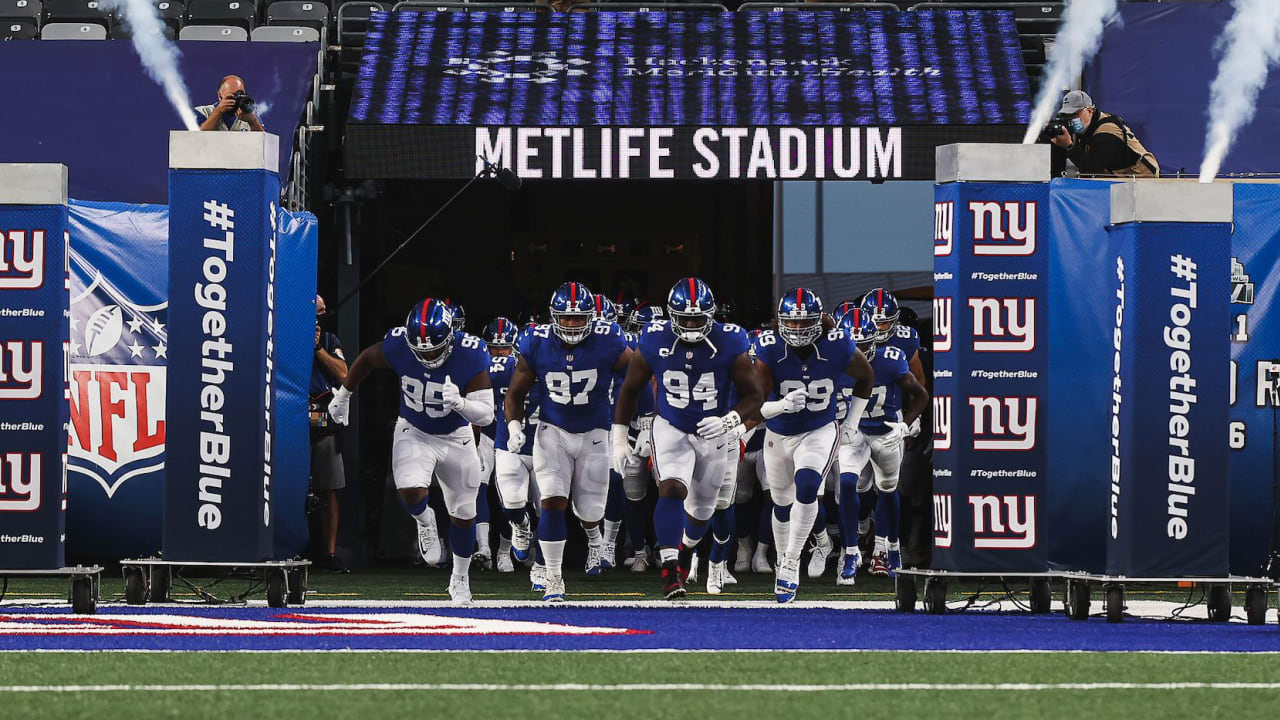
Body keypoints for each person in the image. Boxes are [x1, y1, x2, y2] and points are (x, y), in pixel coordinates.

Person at [327, 298, 493, 604]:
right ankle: (424, 519)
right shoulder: (399, 344)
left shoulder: (471, 353)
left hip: (457, 434)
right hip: (414, 429)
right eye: (422, 349)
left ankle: (459, 579)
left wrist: (461, 404)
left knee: (464, 512)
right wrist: (344, 394)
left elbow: (486, 415)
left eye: (434, 348)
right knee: (410, 490)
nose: (428, 354)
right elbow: (366, 359)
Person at [612, 277, 764, 600]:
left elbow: (755, 395)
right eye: (686, 318)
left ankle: (684, 552)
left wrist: (730, 419)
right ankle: (669, 570)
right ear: (671, 315)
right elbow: (630, 388)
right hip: (671, 425)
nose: (693, 325)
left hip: (715, 431)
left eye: (698, 318)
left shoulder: (730, 340)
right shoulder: (654, 338)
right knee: (671, 488)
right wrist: (619, 434)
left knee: (703, 512)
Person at [503, 282, 632, 602]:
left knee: (590, 511)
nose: (572, 324)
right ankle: (554, 579)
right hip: (553, 432)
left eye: (579, 318)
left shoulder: (608, 339)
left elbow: (638, 378)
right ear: (554, 316)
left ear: (591, 317)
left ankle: (593, 535)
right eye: (566, 318)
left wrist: (624, 429)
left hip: (595, 434)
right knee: (551, 502)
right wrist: (514, 426)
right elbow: (515, 393)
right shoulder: (537, 342)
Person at [753, 288, 874, 602]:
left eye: (803, 322)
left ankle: (792, 561)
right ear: (780, 323)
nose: (796, 329)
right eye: (790, 324)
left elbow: (866, 377)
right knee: (781, 504)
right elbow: (754, 404)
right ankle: (783, 558)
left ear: (818, 320)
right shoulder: (768, 348)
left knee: (807, 485)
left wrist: (851, 423)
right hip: (778, 432)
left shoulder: (837, 343)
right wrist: (781, 406)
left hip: (819, 429)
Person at [840, 308, 929, 580]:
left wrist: (905, 424)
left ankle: (892, 548)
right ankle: (851, 551)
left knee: (888, 490)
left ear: (875, 341)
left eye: (864, 344)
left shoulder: (890, 360)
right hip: (854, 432)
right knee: (846, 484)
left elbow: (921, 395)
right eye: (853, 344)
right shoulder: (831, 361)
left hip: (885, 431)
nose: (859, 350)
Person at [309, 295, 349, 573]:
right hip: (287, 414)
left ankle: (330, 552)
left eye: (322, 316)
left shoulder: (330, 340)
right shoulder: (280, 332)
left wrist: (318, 349)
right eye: (315, 314)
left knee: (329, 486)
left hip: (322, 418)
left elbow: (345, 374)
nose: (318, 321)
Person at [1046, 90, 1158, 177]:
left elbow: (1092, 169)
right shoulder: (1088, 127)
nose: (1071, 119)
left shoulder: (1107, 131)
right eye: (1067, 116)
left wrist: (1069, 146)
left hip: (1142, 177)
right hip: (1122, 177)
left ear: (1089, 111)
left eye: (1075, 115)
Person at [196, 75, 265, 132]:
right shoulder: (203, 112)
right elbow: (198, 138)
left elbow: (263, 142)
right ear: (220, 96)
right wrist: (218, 111)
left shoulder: (250, 114)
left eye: (240, 95)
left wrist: (253, 121)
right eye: (231, 96)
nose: (236, 99)